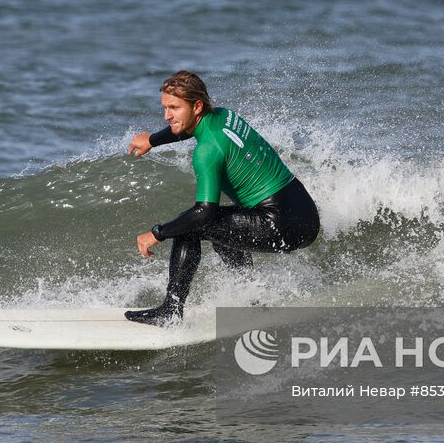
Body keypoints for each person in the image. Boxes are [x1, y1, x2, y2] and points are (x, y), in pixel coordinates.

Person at [124, 71, 319, 325]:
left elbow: (203, 212)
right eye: (165, 107)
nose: (167, 116)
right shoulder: (225, 116)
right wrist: (152, 140)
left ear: (197, 106)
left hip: (280, 223)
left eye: (174, 108)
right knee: (222, 230)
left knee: (191, 227)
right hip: (304, 214)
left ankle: (170, 311)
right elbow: (186, 128)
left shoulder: (206, 151)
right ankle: (254, 298)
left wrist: (158, 233)